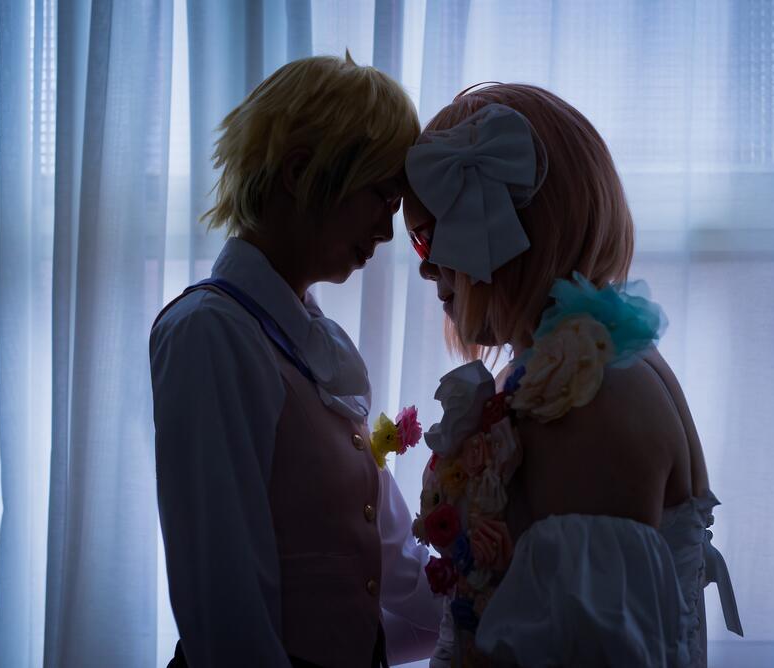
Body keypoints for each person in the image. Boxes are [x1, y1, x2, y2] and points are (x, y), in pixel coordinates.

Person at [402, 84, 743, 666]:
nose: (427, 267)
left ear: (514, 228)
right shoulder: (595, 364)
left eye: (430, 237)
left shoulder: (585, 394)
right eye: (417, 243)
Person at [150, 54, 441, 668]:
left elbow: (394, 570)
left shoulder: (312, 344)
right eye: (381, 196)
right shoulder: (210, 333)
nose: (388, 232)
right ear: (300, 171)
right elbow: (224, 606)